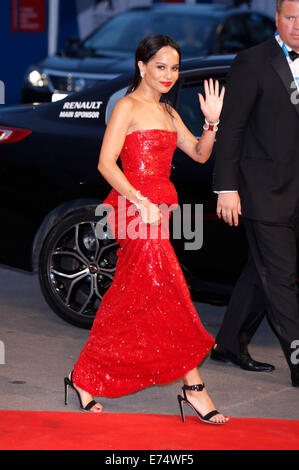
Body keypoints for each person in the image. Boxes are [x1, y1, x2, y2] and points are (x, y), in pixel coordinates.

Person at [64, 35, 229, 424]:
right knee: (169, 289)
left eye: (174, 68)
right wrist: (141, 203)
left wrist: (212, 121)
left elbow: (201, 155)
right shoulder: (126, 106)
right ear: (141, 67)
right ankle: (194, 386)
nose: (169, 75)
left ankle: (83, 377)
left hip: (160, 213)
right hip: (133, 211)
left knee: (131, 297)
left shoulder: (169, 114)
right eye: (160, 66)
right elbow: (107, 164)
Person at [211, 0, 299, 386]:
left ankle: (228, 344)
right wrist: (226, 188)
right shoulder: (252, 61)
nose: (297, 26)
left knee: (259, 272)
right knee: (282, 277)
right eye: (290, 17)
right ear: (277, 18)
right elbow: (232, 129)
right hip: (263, 192)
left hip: (296, 191)